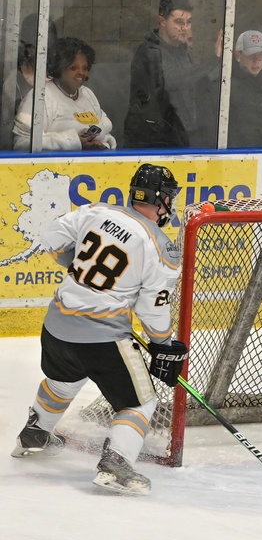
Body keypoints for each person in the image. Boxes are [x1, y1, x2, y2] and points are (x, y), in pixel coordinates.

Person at [11, 164, 187, 496]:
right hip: (102, 339)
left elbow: (51, 239)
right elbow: (153, 308)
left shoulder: (95, 212)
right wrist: (163, 344)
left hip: (56, 328)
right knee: (140, 403)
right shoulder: (160, 246)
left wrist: (78, 266)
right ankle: (116, 462)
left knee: (63, 381)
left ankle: (34, 434)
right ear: (162, 200)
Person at [124, 0, 222, 148]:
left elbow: (195, 84)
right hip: (152, 142)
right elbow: (171, 79)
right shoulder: (149, 52)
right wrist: (213, 59)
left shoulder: (182, 52)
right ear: (162, 21)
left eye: (188, 22)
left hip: (180, 137)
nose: (185, 28)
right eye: (179, 22)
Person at [13, 37, 116, 151]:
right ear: (59, 68)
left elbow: (106, 135)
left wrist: (100, 144)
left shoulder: (88, 94)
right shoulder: (41, 96)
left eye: (85, 68)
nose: (81, 73)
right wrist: (71, 141)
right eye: (73, 68)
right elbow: (21, 143)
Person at [228, 30, 262, 147]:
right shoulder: (226, 84)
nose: (257, 61)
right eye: (251, 56)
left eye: (261, 56)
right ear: (238, 55)